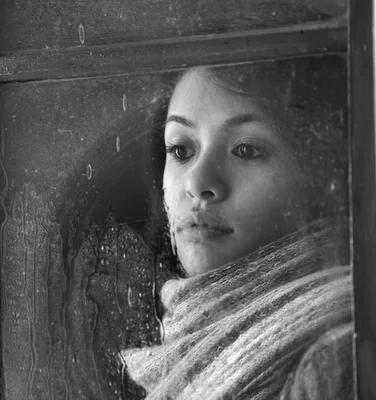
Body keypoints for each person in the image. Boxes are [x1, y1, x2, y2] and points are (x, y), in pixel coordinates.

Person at [122, 56, 353, 399]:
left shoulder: (337, 358)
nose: (198, 182)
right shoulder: (170, 349)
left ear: (319, 177)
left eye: (245, 149)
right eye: (181, 149)